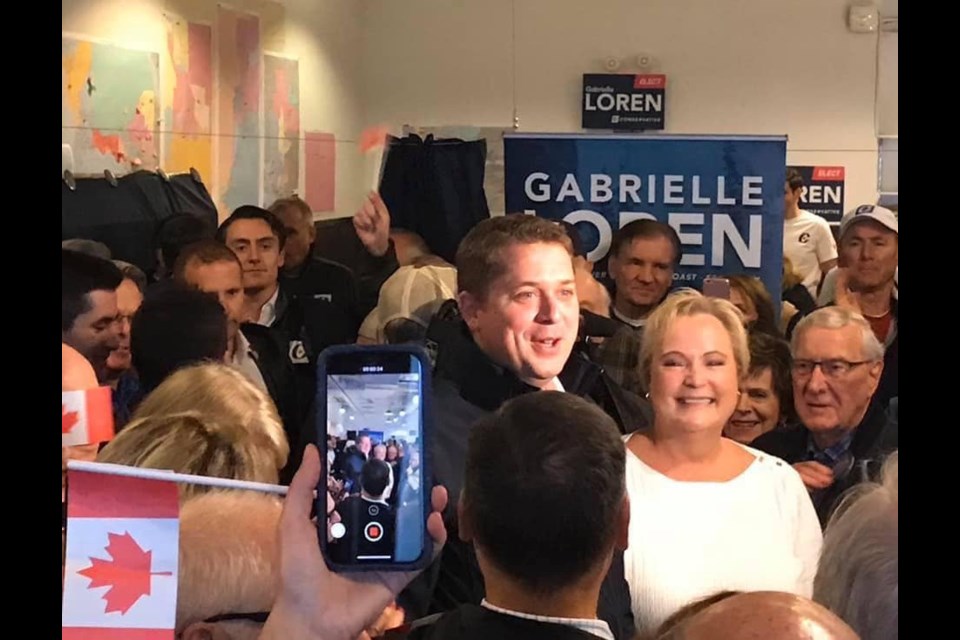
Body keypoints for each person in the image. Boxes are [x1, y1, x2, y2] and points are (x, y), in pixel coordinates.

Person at [623, 291, 821, 633]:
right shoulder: (605, 472)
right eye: (674, 362)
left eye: (714, 362)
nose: (696, 379)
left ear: (738, 377)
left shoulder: (780, 483)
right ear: (647, 376)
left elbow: (815, 617)